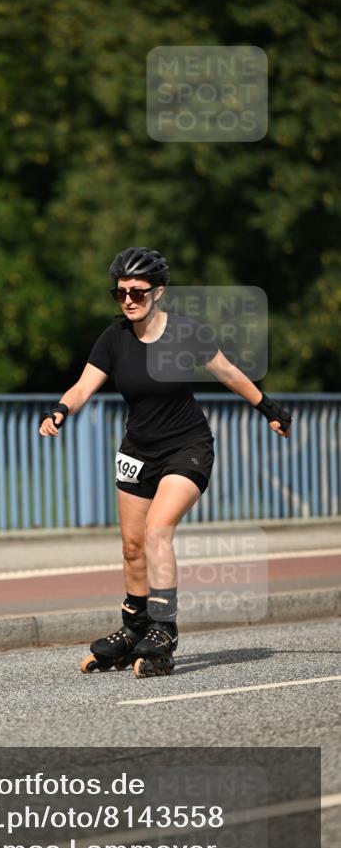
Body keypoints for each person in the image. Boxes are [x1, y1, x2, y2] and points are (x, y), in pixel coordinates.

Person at [39, 247, 292, 678]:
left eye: (137, 292)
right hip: (137, 452)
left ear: (159, 292)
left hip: (187, 446)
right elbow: (84, 386)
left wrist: (268, 408)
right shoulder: (114, 338)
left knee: (158, 530)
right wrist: (60, 409)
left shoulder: (186, 334)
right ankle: (133, 626)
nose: (128, 300)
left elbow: (227, 372)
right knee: (132, 546)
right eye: (119, 293)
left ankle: (163, 629)